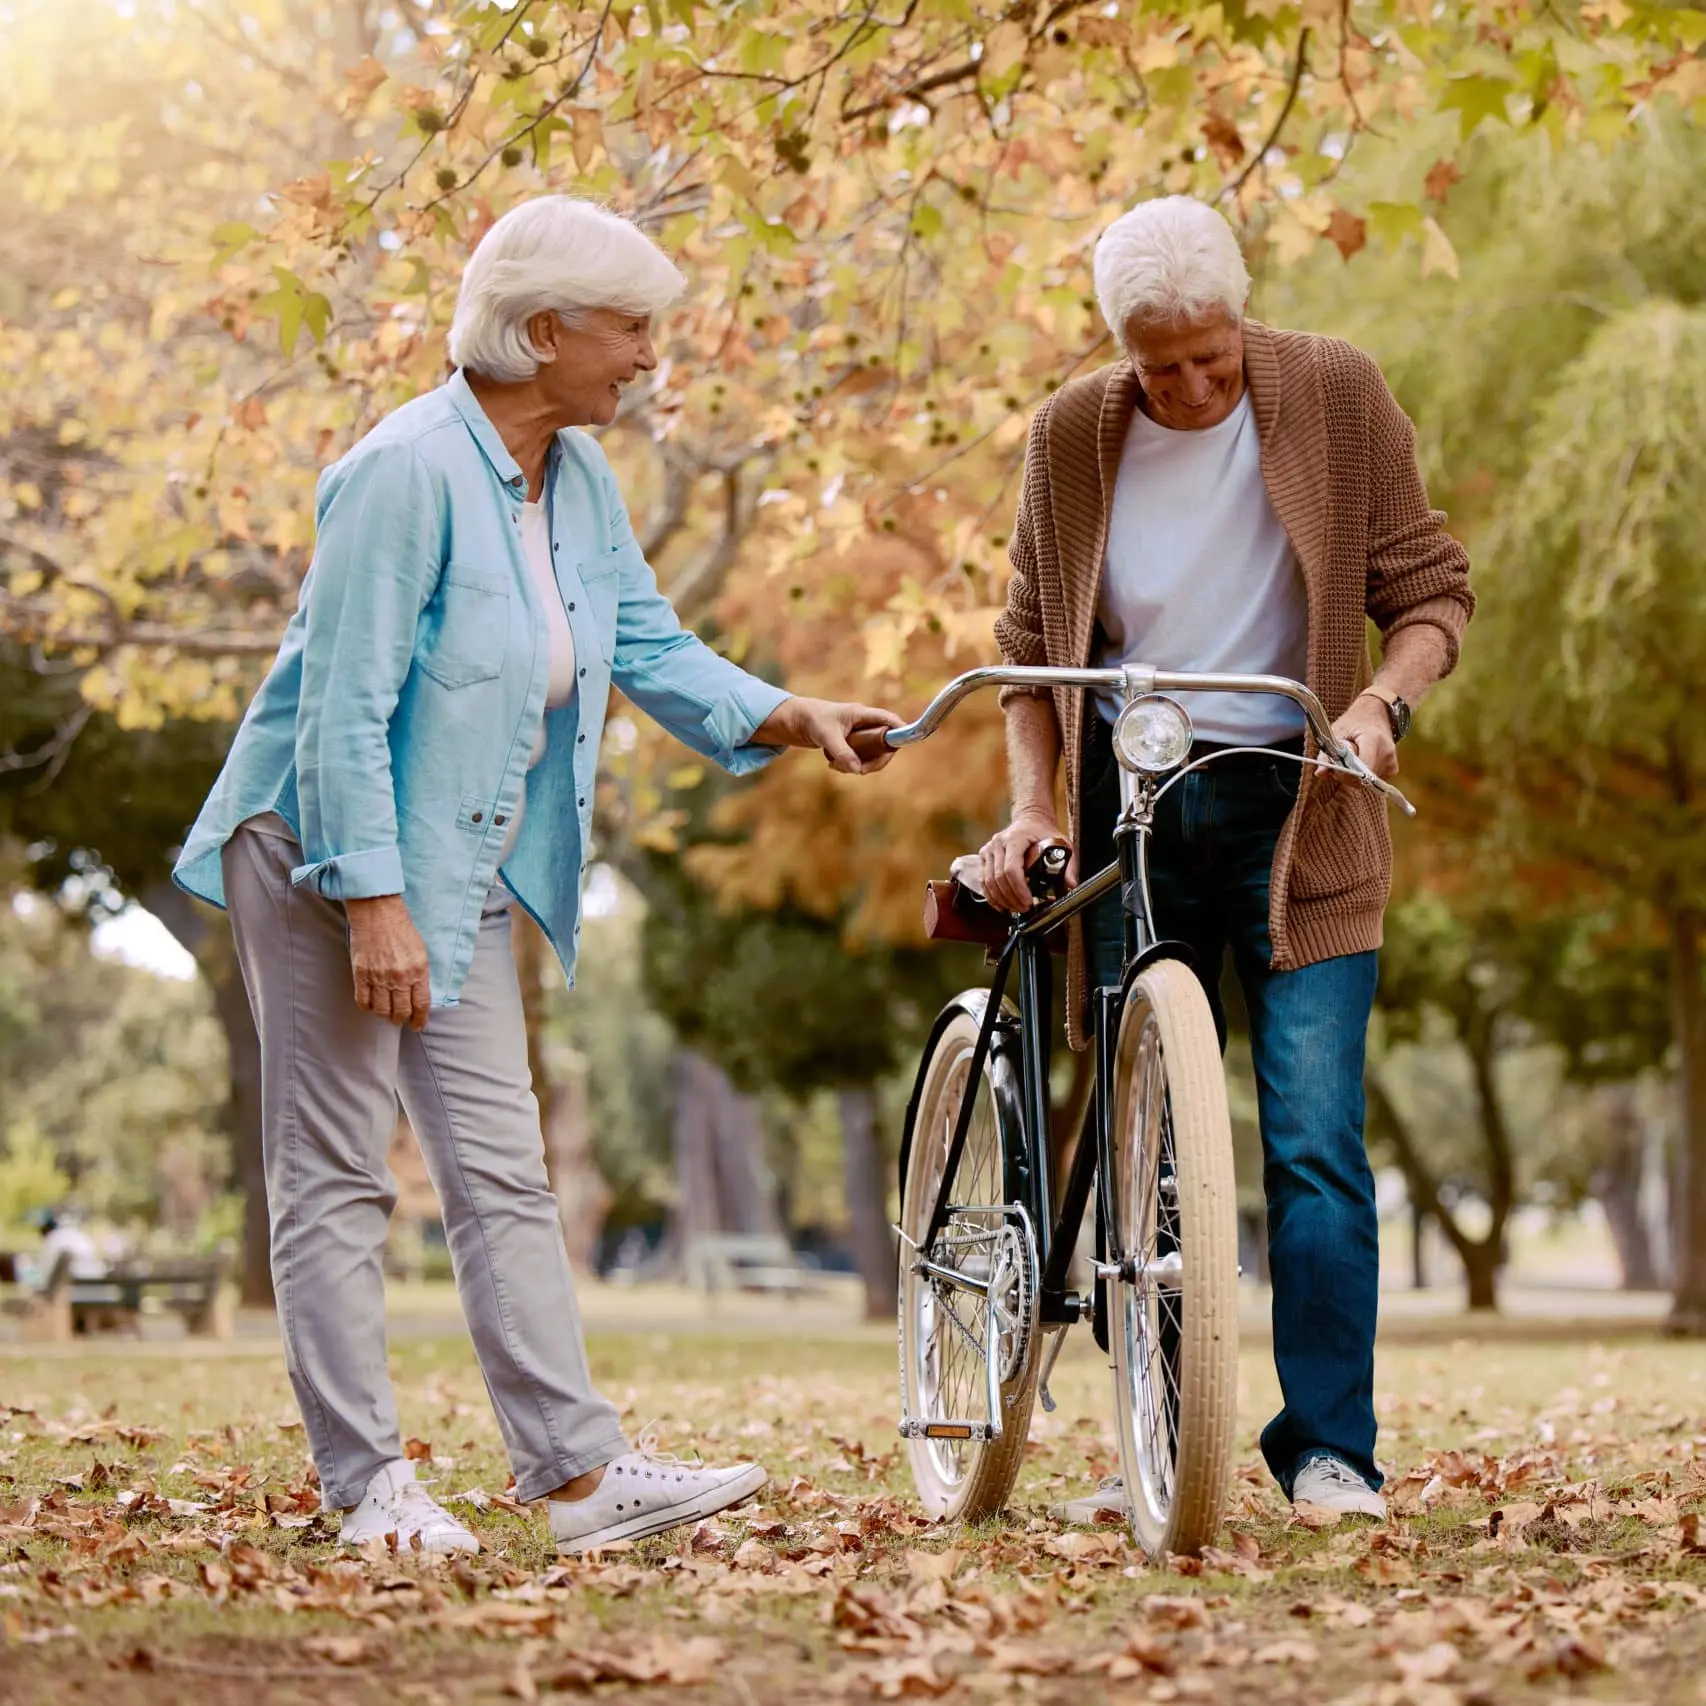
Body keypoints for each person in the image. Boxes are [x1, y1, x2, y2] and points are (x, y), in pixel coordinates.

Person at [173, 196, 902, 1556]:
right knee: (335, 1169)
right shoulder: (403, 472)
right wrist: (370, 897)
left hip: (463, 851)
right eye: (628, 329)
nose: (645, 357)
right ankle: (367, 1487)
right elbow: (340, 711)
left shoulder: (575, 481)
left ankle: (572, 1474)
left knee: (502, 1170)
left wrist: (789, 712)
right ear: (544, 328)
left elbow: (648, 641)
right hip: (327, 842)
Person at [980, 196, 1473, 1522]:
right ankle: (1153, 1436)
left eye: (1210, 353)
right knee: (1144, 1144)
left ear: (1241, 315)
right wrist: (1034, 809)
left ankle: (1327, 1451)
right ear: (1119, 349)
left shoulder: (1333, 391)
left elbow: (1429, 589)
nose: (1191, 386)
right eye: (1159, 364)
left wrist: (1380, 707)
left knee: (1311, 1142)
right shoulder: (1072, 437)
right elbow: (1029, 650)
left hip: (1301, 806)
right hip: (1132, 803)